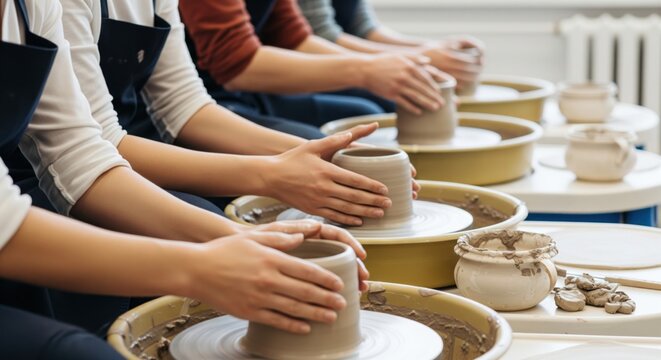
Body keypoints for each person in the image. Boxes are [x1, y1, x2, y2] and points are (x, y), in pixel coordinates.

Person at [0, 0, 366, 340]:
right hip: (27, 185)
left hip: (82, 164)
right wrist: (202, 264)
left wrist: (242, 230)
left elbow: (86, 149)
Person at [56, 0, 414, 224]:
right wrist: (270, 173)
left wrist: (318, 155)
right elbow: (89, 148)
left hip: (121, 137)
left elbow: (185, 104)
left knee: (326, 153)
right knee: (218, 214)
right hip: (56, 172)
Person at [179, 0, 449, 129]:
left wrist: (384, 65)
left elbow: (294, 38)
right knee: (338, 148)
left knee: (366, 114)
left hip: (241, 92)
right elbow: (236, 64)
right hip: (205, 99)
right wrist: (366, 70)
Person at [297, 0, 485, 94]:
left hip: (340, 57)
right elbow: (322, 35)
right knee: (379, 108)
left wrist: (434, 48)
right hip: (305, 71)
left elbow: (365, 28)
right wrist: (420, 57)